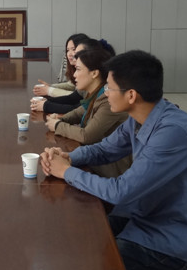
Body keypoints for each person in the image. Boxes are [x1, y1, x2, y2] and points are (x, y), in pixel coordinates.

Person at [40, 50, 187, 270]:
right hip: (144, 217)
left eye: (110, 87)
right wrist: (69, 158)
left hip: (171, 241)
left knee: (90, 266)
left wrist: (66, 171)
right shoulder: (140, 117)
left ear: (131, 95)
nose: (105, 92)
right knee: (79, 234)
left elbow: (121, 191)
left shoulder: (172, 132)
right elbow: (105, 149)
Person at [44, 48, 130, 178]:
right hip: (95, 158)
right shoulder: (96, 93)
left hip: (110, 169)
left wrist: (57, 125)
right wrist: (61, 119)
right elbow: (80, 111)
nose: (74, 75)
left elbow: (87, 136)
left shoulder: (109, 99)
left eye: (78, 69)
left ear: (94, 73)